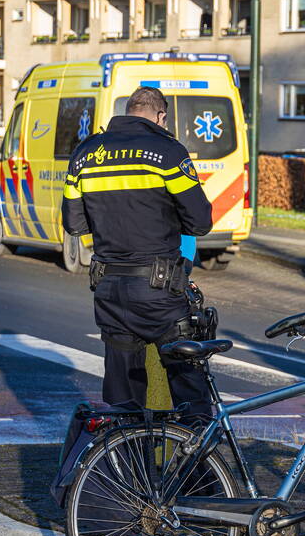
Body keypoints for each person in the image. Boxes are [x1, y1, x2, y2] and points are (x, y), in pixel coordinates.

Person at [60, 86, 214, 420]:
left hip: (110, 290)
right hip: (159, 292)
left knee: (123, 400)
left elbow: (74, 224)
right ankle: (198, 472)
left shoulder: (86, 154)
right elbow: (200, 222)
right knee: (190, 392)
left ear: (128, 111)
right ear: (161, 116)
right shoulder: (168, 152)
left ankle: (126, 469)